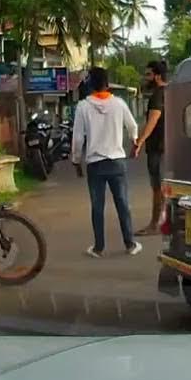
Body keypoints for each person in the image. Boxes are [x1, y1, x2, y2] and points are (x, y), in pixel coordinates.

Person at [72, 67, 142, 257]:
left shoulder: (83, 107)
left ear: (90, 84)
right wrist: (135, 142)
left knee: (97, 207)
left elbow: (78, 138)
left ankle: (98, 248)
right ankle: (130, 244)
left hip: (95, 164)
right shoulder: (119, 104)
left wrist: (76, 161)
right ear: (107, 84)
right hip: (117, 162)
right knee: (123, 204)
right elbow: (133, 126)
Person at [131, 60, 167, 235]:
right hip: (169, 147)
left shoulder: (157, 96)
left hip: (157, 148)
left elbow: (153, 120)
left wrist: (140, 141)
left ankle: (154, 225)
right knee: (165, 188)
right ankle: (167, 222)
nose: (146, 78)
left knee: (157, 189)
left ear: (157, 76)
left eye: (148, 74)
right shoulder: (171, 92)